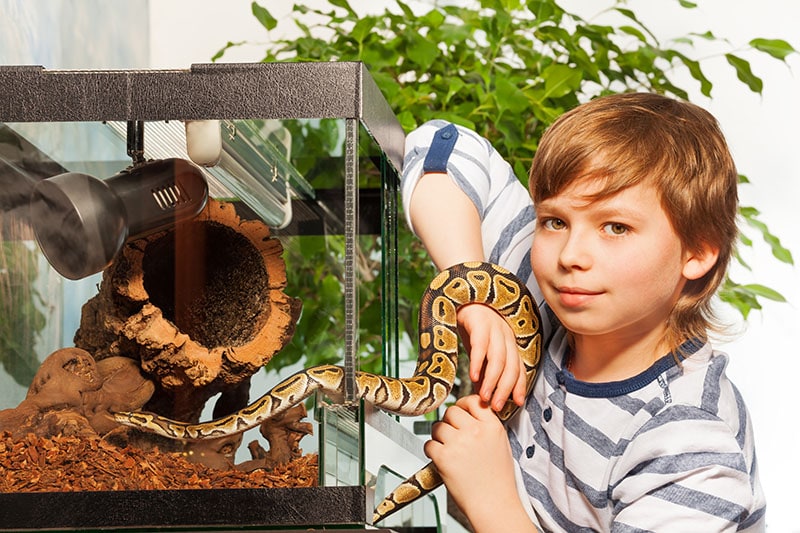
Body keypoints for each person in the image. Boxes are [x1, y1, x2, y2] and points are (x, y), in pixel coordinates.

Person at [401, 92, 765, 532]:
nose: (571, 254)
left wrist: (491, 500)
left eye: (616, 227)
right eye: (555, 221)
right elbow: (441, 145)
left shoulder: (690, 443)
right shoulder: (541, 292)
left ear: (698, 251)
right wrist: (476, 295)